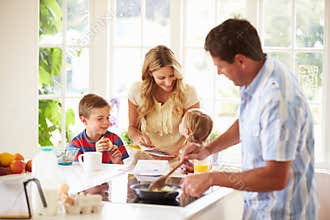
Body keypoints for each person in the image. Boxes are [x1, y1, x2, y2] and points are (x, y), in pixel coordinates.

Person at [181, 18, 318, 219]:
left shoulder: (277, 99)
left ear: (241, 60)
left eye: (220, 66)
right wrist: (208, 149)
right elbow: (248, 122)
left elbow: (275, 177)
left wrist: (211, 178)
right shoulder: (260, 73)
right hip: (259, 209)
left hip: (282, 213)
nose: (219, 72)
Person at [128, 45, 200, 165]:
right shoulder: (137, 90)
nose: (168, 83)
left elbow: (196, 134)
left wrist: (180, 152)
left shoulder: (188, 92)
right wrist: (139, 138)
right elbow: (132, 128)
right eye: (161, 77)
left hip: (179, 161)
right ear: (150, 73)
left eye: (172, 75)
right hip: (145, 160)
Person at [69, 93, 129, 164]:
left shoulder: (115, 140)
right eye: (100, 119)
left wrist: (117, 162)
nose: (106, 122)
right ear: (84, 120)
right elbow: (78, 172)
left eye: (107, 117)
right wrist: (96, 155)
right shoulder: (75, 145)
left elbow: (122, 171)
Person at [179, 108, 213, 173]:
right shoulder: (205, 148)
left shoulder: (191, 149)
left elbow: (192, 168)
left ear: (187, 131)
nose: (179, 123)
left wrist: (186, 168)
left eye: (181, 121)